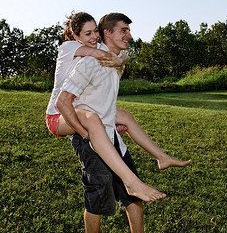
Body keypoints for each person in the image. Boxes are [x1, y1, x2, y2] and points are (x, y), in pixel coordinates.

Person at [55, 12, 190, 232]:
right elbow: (65, 102)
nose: (129, 35)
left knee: (133, 198)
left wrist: (121, 62)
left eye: (128, 30)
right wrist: (85, 134)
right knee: (96, 204)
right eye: (123, 30)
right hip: (92, 140)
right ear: (107, 33)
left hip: (113, 137)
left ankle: (161, 158)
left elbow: (106, 98)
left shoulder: (114, 64)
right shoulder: (90, 62)